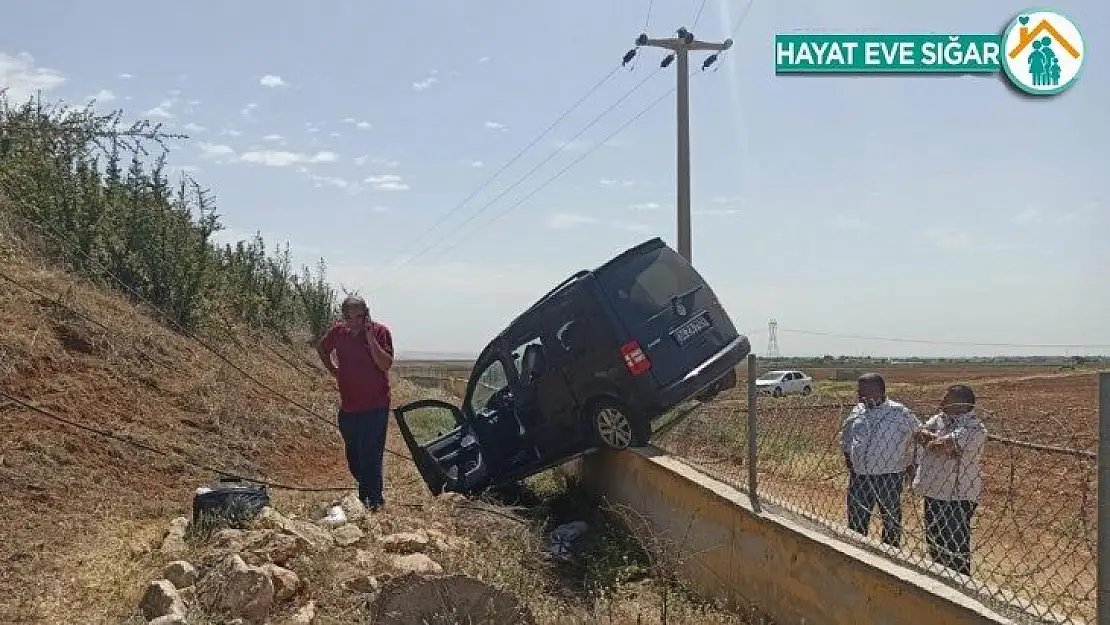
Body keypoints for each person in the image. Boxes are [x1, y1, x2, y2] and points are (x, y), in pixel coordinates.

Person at [317, 295, 395, 511]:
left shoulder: (380, 332)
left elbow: (385, 364)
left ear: (366, 314)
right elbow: (322, 349)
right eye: (350, 317)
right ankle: (368, 489)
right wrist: (333, 370)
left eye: (360, 317)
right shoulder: (339, 333)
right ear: (344, 317)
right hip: (349, 406)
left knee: (371, 453)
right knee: (354, 456)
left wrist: (370, 340)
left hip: (376, 405)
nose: (355, 322)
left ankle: (372, 501)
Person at [838, 373, 920, 548]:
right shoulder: (858, 410)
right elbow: (846, 438)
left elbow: (918, 437)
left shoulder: (899, 413)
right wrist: (850, 461)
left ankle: (890, 551)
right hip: (860, 477)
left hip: (888, 476)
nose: (861, 396)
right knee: (857, 517)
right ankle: (857, 549)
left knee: (890, 518)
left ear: (881, 391)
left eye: (865, 392)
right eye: (859, 392)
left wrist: (912, 464)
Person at [912, 384, 987, 576]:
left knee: (955, 544)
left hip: (958, 495)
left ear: (962, 404)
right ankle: (940, 577)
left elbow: (939, 445)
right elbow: (919, 434)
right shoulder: (940, 419)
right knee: (935, 539)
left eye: (947, 398)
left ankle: (960, 581)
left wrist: (941, 444)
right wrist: (945, 446)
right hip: (934, 490)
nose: (942, 401)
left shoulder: (974, 427)